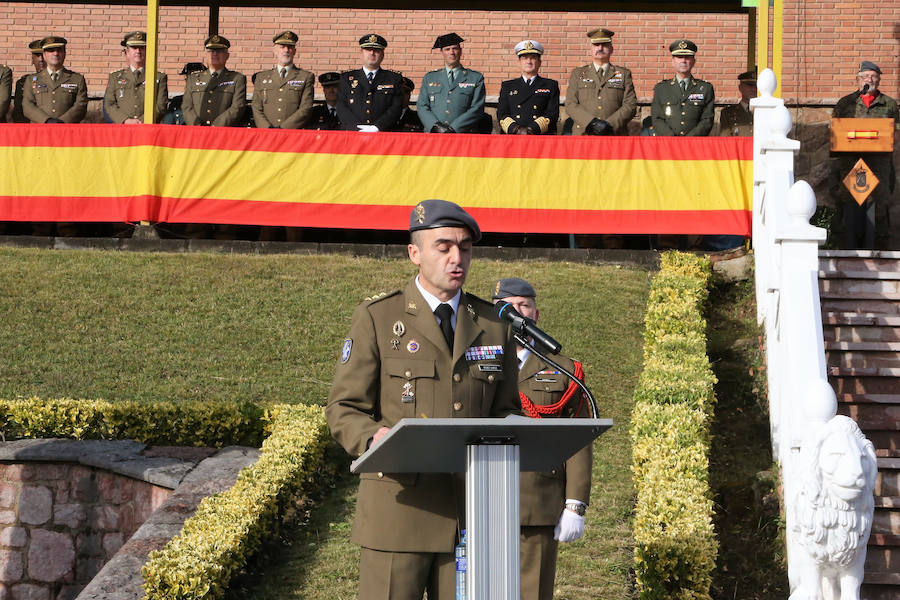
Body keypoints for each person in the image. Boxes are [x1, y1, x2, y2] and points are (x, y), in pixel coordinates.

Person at [326, 199, 520, 600]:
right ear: (414, 253)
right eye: (443, 247)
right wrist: (374, 438)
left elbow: (505, 410)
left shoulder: (493, 324)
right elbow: (344, 408)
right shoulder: (379, 318)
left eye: (464, 248)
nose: (457, 258)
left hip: (472, 516)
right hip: (399, 511)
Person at [491, 278, 592, 600]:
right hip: (479, 496)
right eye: (507, 307)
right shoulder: (473, 361)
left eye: (524, 305)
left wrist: (575, 504)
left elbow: (577, 437)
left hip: (536, 501)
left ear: (536, 314)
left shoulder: (563, 370)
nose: (517, 312)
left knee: (531, 593)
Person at [831, 61, 899, 249]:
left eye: (874, 76)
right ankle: (847, 246)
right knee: (851, 203)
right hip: (851, 162)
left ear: (879, 79)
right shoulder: (846, 104)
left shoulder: (889, 104)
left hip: (879, 164)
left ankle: (877, 248)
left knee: (877, 205)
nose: (870, 79)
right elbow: (836, 131)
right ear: (858, 79)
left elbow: (895, 133)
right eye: (865, 76)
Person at [565, 28, 636, 136]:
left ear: (611, 49)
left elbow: (630, 105)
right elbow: (570, 104)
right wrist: (591, 123)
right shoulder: (578, 74)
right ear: (591, 49)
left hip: (614, 134)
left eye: (605, 45)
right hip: (585, 133)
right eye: (596, 45)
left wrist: (609, 125)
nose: (600, 48)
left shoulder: (623, 74)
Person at [417, 33, 485, 134]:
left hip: (462, 135)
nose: (451, 52)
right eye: (447, 49)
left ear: (460, 51)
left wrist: (454, 128)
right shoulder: (430, 77)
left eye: (455, 48)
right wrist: (435, 126)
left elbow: (477, 108)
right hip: (435, 135)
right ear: (442, 52)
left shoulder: (475, 78)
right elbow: (422, 106)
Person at [336, 34, 403, 132]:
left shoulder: (394, 79)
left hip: (383, 134)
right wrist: (357, 128)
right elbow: (341, 106)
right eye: (368, 49)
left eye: (376, 50)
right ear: (361, 53)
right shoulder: (346, 78)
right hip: (352, 134)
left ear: (383, 54)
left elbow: (396, 107)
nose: (372, 53)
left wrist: (377, 127)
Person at [650, 39, 715, 137]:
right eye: (679, 57)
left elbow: (707, 120)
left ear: (693, 61)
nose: (683, 61)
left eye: (688, 57)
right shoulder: (661, 88)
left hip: (695, 144)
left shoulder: (705, 88)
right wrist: (672, 139)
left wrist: (689, 140)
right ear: (673, 61)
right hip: (668, 144)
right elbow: (657, 118)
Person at [251, 31, 314, 129]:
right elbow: (256, 107)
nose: (286, 50)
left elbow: (306, 108)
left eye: (290, 47)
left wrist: (283, 129)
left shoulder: (305, 77)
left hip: (292, 134)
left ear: (294, 51)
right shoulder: (261, 77)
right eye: (282, 47)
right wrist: (267, 128)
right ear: (275, 50)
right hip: (266, 134)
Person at [181, 35, 247, 127]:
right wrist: (197, 125)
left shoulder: (237, 79)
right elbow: (186, 106)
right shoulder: (193, 79)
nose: (214, 54)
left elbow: (237, 107)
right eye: (211, 51)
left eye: (219, 51)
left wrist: (216, 127)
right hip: (197, 133)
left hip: (223, 133)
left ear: (227, 56)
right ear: (205, 54)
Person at [103, 31, 168, 124]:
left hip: (148, 128)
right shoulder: (115, 77)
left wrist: (142, 121)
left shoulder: (159, 77)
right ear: (127, 52)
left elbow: (161, 105)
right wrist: (125, 120)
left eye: (142, 48)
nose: (138, 51)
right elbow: (109, 104)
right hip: (123, 129)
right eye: (134, 48)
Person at [497, 40, 559, 135]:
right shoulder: (508, 86)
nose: (528, 61)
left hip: (539, 135)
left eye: (533, 58)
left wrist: (532, 129)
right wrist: (515, 129)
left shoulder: (550, 85)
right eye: (524, 58)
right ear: (519, 62)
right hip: (513, 135)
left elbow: (552, 114)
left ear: (539, 62)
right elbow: (502, 113)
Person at [22, 36, 88, 124]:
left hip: (67, 131)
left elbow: (81, 105)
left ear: (64, 54)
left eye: (59, 50)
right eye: (51, 50)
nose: (55, 53)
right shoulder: (31, 80)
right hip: (40, 131)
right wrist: (47, 120)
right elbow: (27, 106)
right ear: (44, 55)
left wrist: (62, 122)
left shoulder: (77, 79)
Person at [11, 39, 45, 123]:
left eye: (43, 55)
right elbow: (18, 112)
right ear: (32, 59)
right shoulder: (23, 82)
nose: (41, 59)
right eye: (37, 55)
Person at [718, 69, 756, 137]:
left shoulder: (766, 111)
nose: (753, 89)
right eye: (749, 85)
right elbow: (725, 139)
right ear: (740, 87)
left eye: (756, 85)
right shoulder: (728, 113)